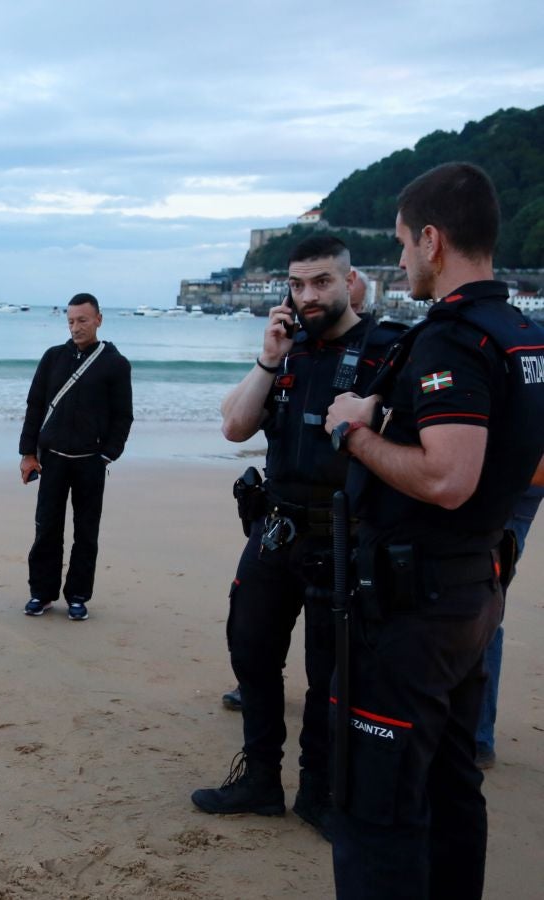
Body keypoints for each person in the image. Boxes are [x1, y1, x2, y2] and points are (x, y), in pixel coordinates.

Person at [323, 162, 544, 898]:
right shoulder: (522, 336)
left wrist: (354, 434)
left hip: (416, 605)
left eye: (401, 243)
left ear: (431, 239)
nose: (400, 260)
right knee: (450, 787)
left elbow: (448, 477)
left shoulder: (452, 340)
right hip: (472, 587)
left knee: (377, 803)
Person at [190, 236, 403, 839]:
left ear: (349, 282)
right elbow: (235, 427)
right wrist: (267, 359)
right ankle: (260, 780)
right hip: (274, 531)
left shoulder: (387, 351)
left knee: (329, 675)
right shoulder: (287, 351)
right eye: (298, 284)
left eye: (321, 282)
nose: (308, 295)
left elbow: (412, 440)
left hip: (343, 540)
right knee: (251, 655)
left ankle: (318, 790)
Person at [19, 293, 132, 621]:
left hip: (90, 462)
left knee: (86, 533)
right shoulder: (53, 357)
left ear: (98, 319)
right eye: (70, 321)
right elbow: (35, 406)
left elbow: (123, 416)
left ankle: (78, 596)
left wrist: (107, 455)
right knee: (46, 528)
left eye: (82, 320)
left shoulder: (115, 363)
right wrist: (28, 453)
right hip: (52, 459)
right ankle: (42, 593)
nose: (76, 327)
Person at [476, 481, 544, 769]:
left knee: (481, 612)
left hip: (505, 496)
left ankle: (477, 738)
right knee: (478, 610)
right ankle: (471, 736)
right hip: (496, 492)